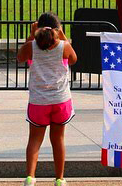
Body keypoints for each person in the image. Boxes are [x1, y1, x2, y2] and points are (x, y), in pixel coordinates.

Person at [17, 13, 77, 186]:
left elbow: (20, 57)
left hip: (38, 101)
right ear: (57, 29)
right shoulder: (64, 46)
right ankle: (59, 179)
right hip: (60, 100)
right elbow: (73, 59)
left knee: (34, 140)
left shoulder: (32, 47)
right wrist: (63, 36)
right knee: (58, 139)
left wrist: (31, 35)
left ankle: (30, 177)